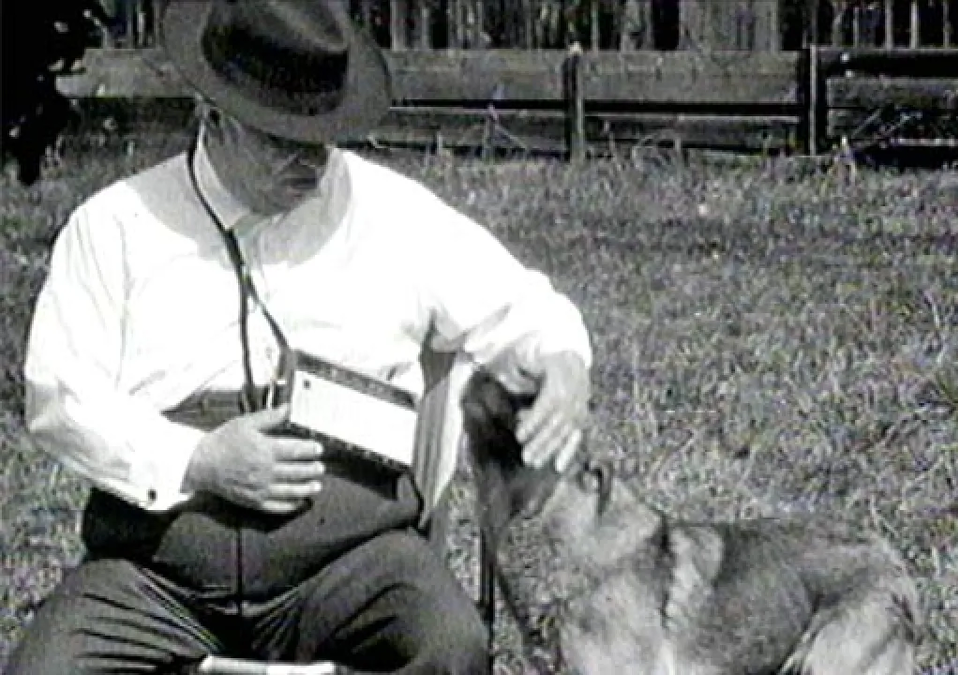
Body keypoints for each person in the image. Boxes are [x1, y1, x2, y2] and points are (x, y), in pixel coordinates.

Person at [6, 1, 592, 673]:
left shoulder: (390, 213)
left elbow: (524, 308)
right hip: (157, 579)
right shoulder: (114, 228)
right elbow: (59, 398)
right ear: (216, 116)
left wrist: (562, 362)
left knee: (451, 647)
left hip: (348, 566)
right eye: (283, 139)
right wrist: (196, 459)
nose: (311, 162)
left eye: (324, 138)